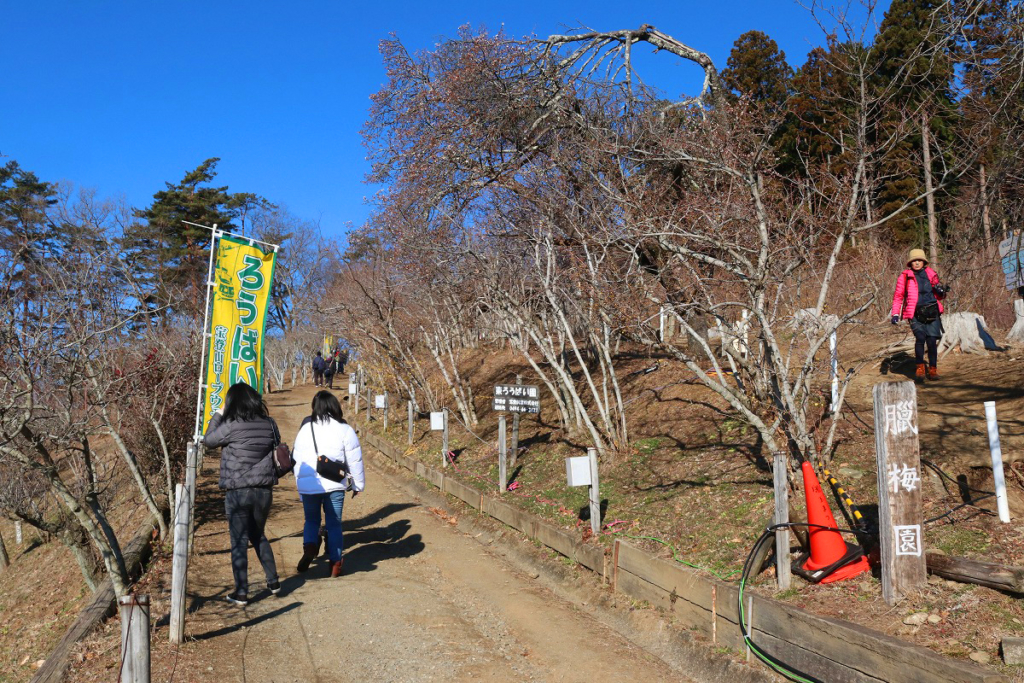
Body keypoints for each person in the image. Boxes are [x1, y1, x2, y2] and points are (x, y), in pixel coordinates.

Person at [203, 383, 281, 605]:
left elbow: (208, 441)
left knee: (239, 541)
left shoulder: (232, 425)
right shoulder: (269, 423)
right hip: (264, 491)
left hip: (238, 492)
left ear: (232, 403)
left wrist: (218, 414)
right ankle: (273, 581)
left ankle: (242, 592)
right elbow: (276, 445)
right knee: (258, 535)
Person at [291, 391, 364, 577]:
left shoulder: (305, 429)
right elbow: (354, 459)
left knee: (312, 520)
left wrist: (301, 488)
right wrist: (357, 485)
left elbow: (296, 461)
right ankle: (335, 563)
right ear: (335, 406)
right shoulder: (344, 429)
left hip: (309, 485)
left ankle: (309, 547)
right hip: (334, 484)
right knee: (334, 524)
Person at [891, 248, 947, 381]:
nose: (916, 263)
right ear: (910, 263)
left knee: (932, 341)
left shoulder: (931, 274)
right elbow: (898, 296)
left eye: (919, 260)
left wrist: (941, 291)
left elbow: (940, 296)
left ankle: (933, 369)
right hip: (915, 312)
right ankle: (920, 369)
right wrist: (895, 314)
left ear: (923, 262)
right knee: (921, 338)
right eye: (914, 260)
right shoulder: (905, 276)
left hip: (932, 311)